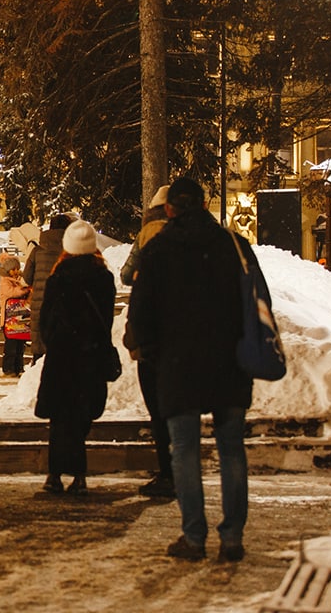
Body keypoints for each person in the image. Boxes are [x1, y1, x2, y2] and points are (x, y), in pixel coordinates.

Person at [127, 177, 254, 563]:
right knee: (232, 449)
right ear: (203, 204)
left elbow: (142, 308)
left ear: (170, 209)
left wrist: (146, 349)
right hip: (229, 362)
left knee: (184, 449)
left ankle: (193, 537)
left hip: (178, 364)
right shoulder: (234, 246)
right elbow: (253, 301)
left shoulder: (159, 249)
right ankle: (232, 537)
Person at [34, 220, 116, 496]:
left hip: (62, 358)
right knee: (81, 417)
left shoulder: (59, 277)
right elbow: (105, 318)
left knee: (60, 419)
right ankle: (79, 475)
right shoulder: (103, 278)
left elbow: (46, 319)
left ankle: (54, 474)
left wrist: (54, 341)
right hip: (90, 357)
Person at [120, 185, 175, 499]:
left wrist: (133, 339)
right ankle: (179, 469)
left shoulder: (147, 235)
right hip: (181, 333)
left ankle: (168, 471)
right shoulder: (190, 236)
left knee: (158, 410)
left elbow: (128, 276)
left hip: (152, 333)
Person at [23, 213, 72, 361]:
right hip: (64, 303)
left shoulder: (37, 251)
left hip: (40, 303)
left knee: (40, 348)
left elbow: (27, 277)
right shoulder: (70, 251)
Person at [0, 254, 31, 376]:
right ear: (7, 271)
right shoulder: (5, 281)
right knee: (11, 346)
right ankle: (9, 368)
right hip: (8, 320)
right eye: (13, 270)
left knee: (20, 346)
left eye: (17, 269)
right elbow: (12, 292)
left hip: (18, 320)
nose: (16, 272)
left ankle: (18, 367)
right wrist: (25, 289)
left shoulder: (18, 281)